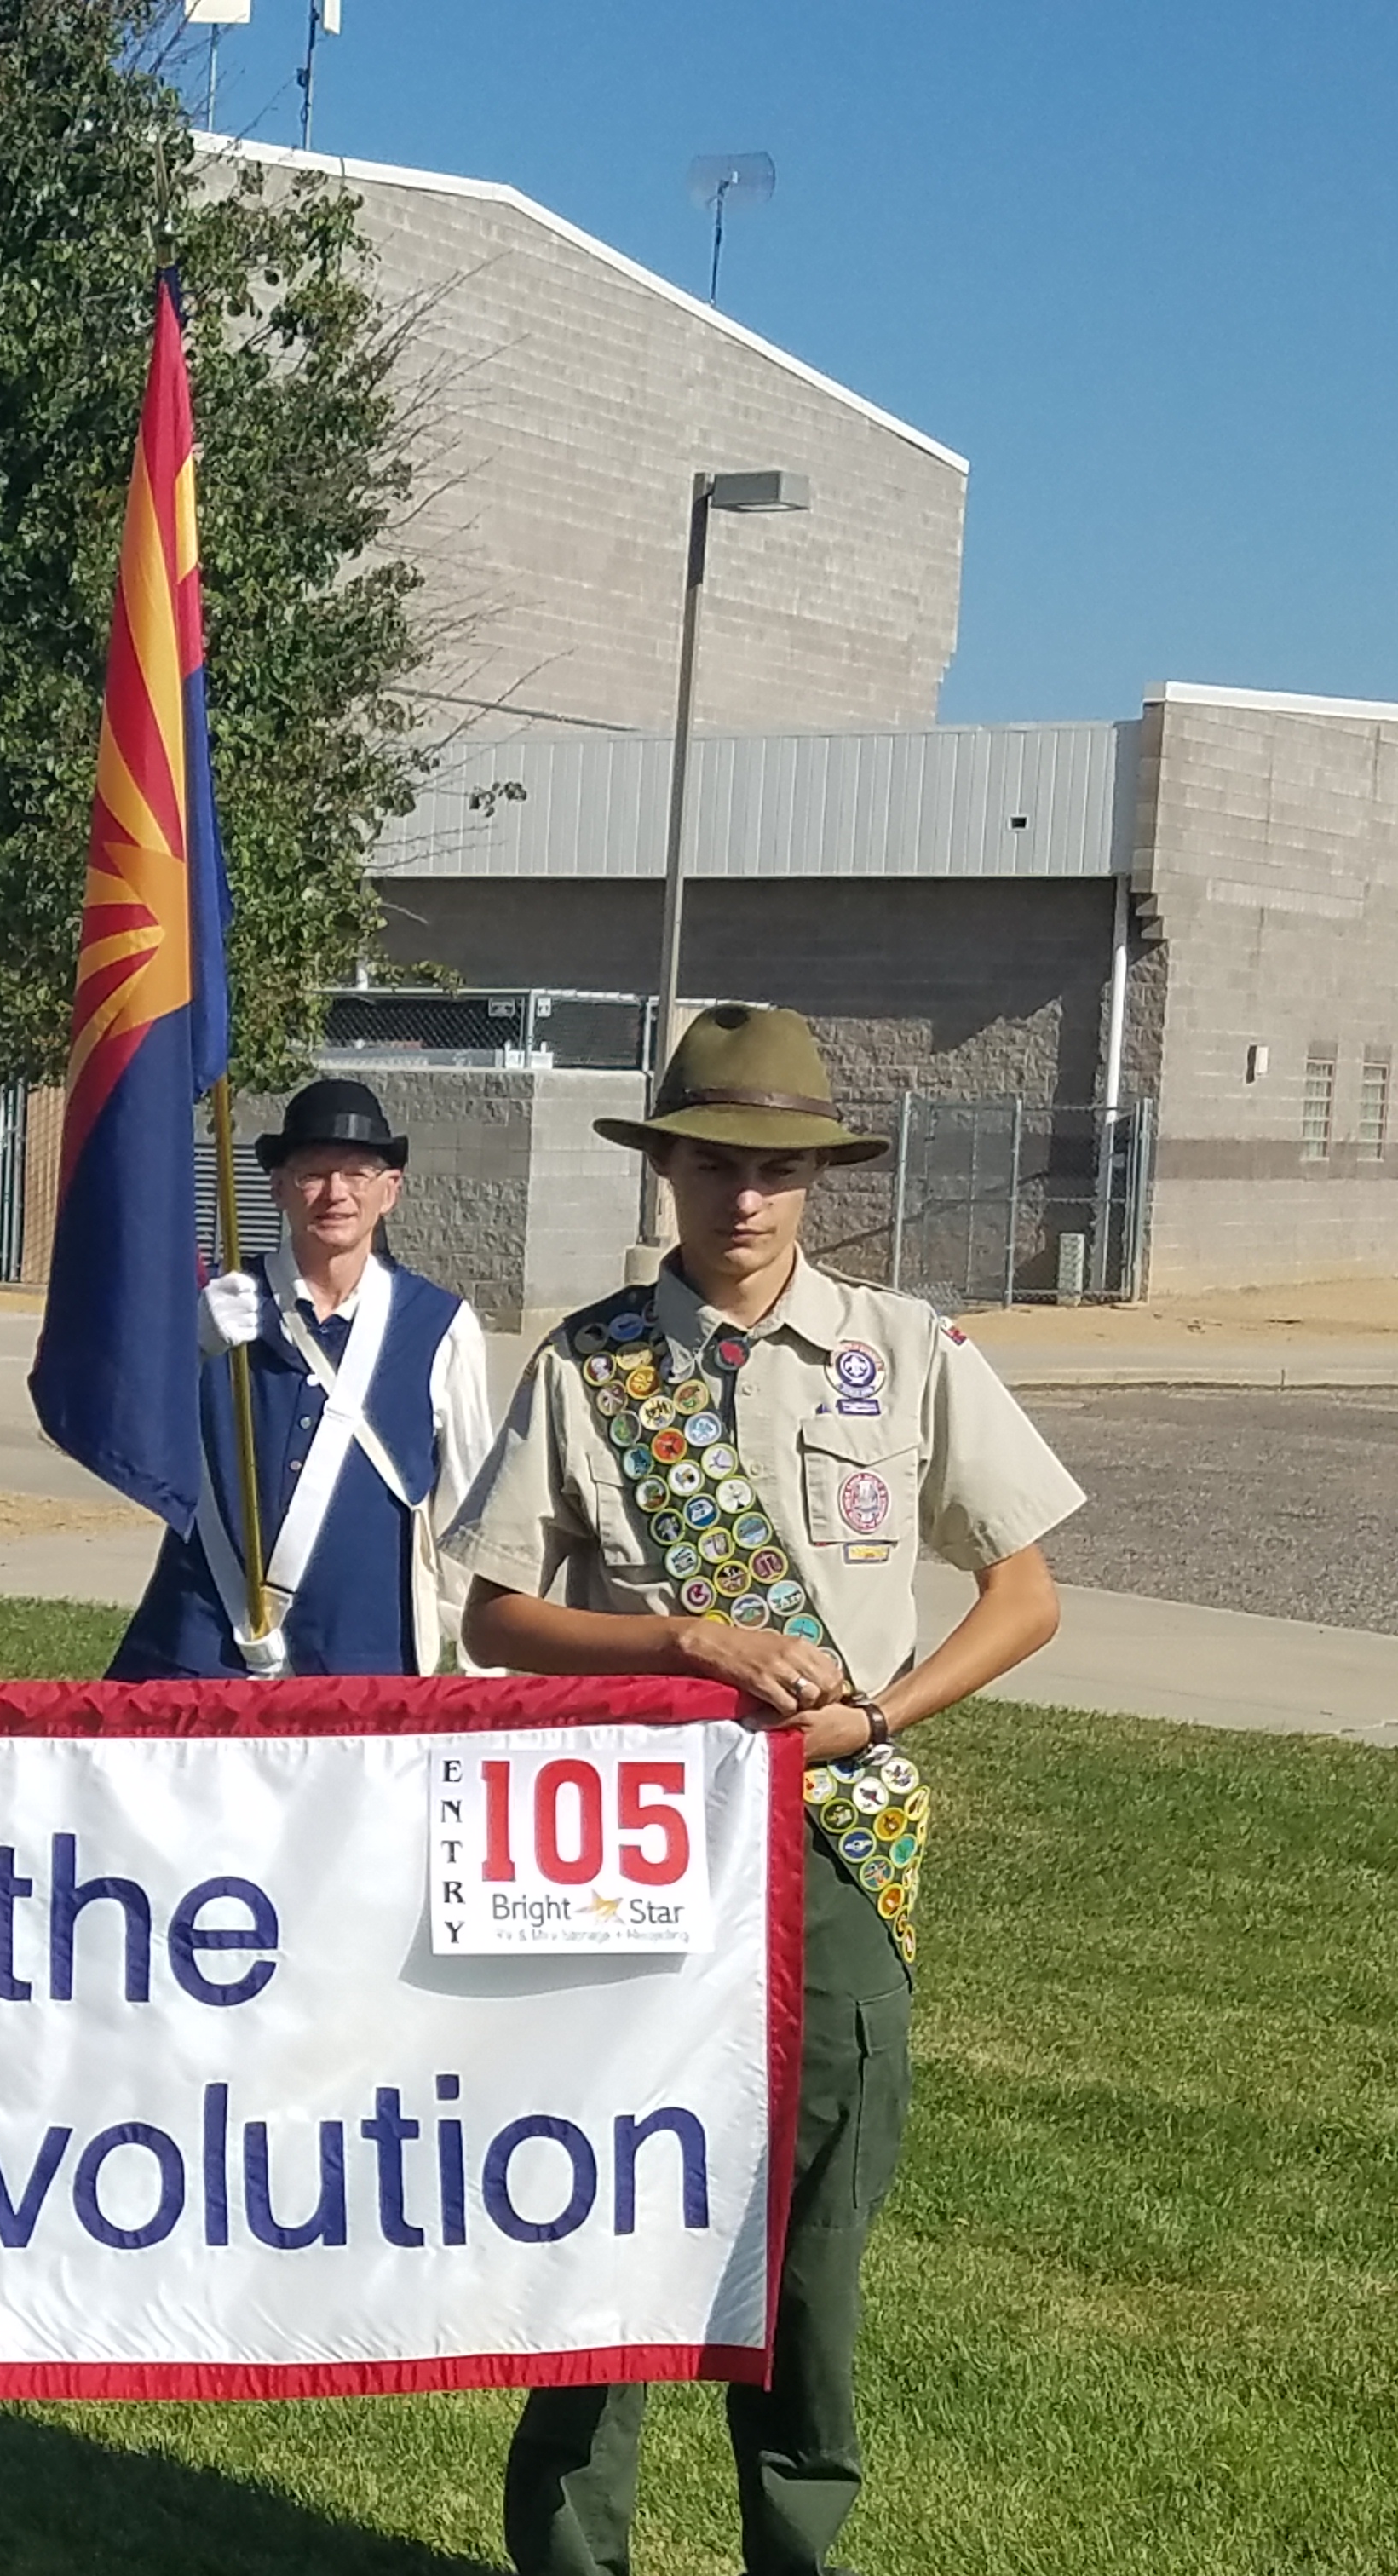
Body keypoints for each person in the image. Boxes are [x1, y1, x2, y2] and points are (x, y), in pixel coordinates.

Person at [444, 1003, 1084, 2576]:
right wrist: (679, 1629)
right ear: (662, 1166)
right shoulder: (590, 1364)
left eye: (776, 1169)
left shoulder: (903, 1349)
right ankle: (571, 2551)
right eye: (714, 1162)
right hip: (631, 1850)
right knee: (602, 2208)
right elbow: (494, 1611)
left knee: (809, 2247)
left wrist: (874, 1716)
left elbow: (1025, 1590)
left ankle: (794, 2547)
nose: (745, 1197)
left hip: (829, 1836)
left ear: (817, 1181)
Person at [106, 1076, 493, 1679]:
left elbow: (467, 1501)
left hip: (365, 1649)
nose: (334, 1193)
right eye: (313, 1172)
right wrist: (185, 1349)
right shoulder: (213, 1308)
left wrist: (479, 1665)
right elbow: (123, 1435)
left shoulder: (443, 1325)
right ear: (279, 1188)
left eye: (357, 1175)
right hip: (202, 1644)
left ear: (390, 1192)